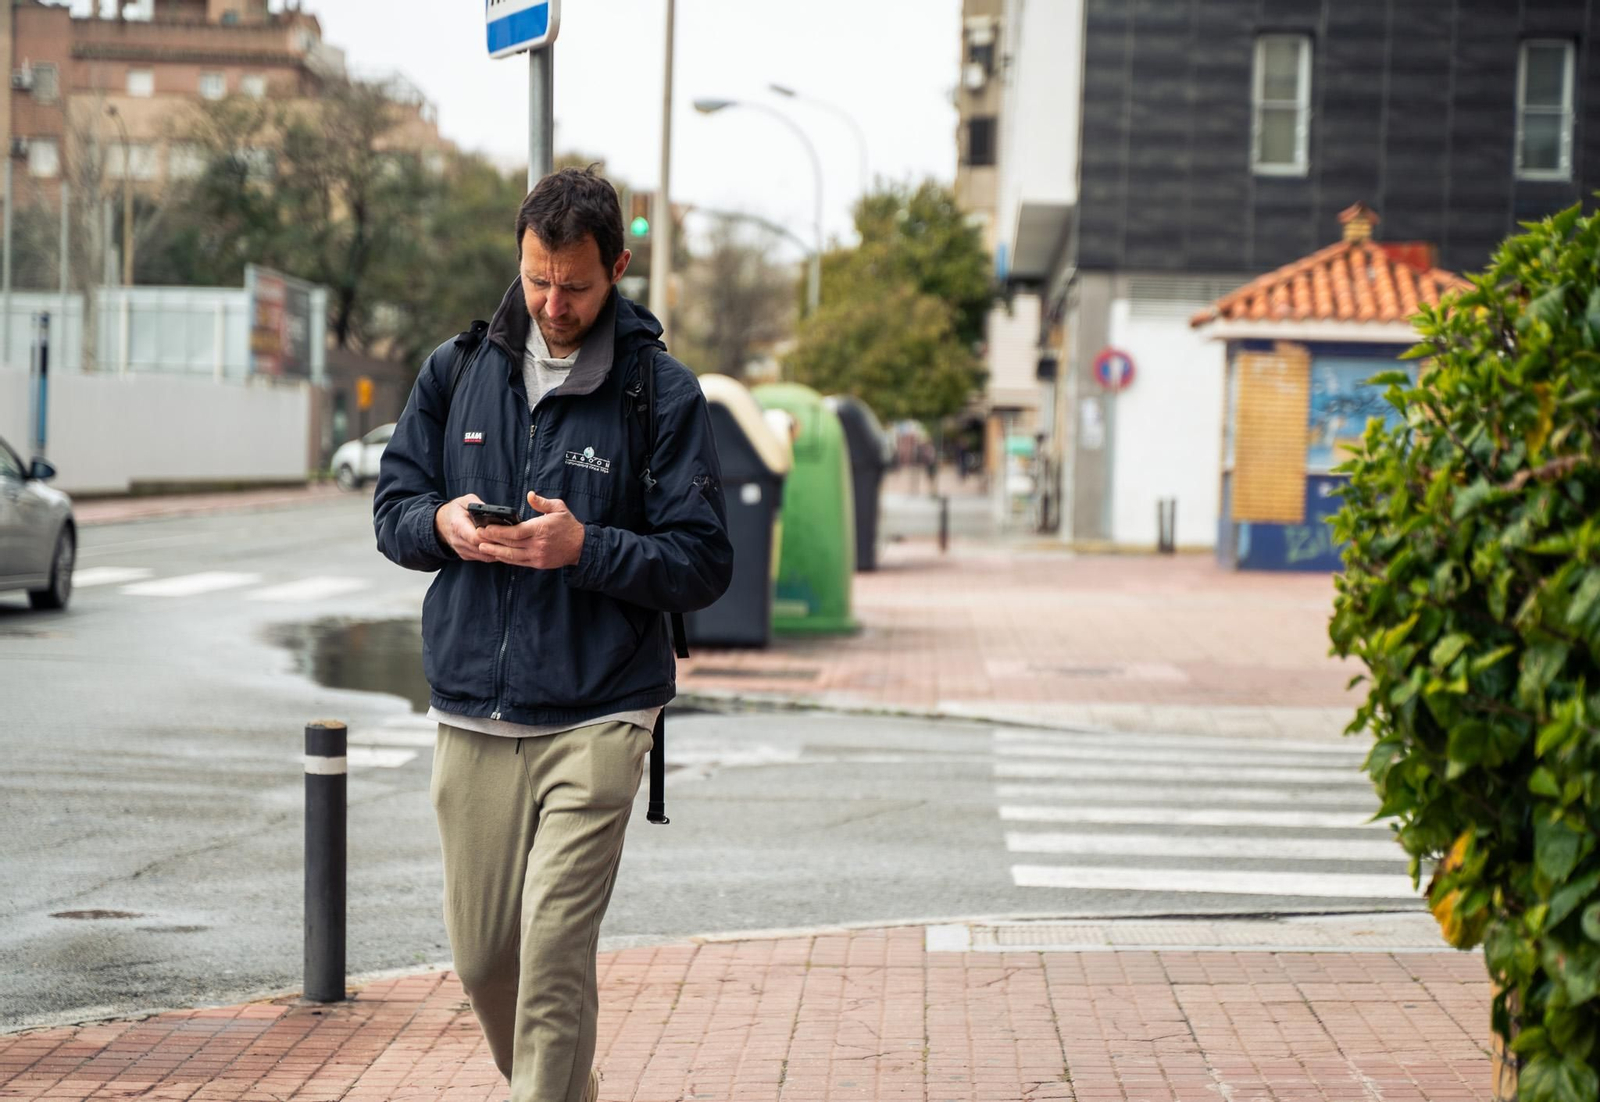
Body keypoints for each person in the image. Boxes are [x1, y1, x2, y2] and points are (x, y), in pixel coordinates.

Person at [373, 167, 733, 1102]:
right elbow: (392, 507)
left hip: (602, 708)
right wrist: (440, 526)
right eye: (537, 278)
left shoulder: (661, 391)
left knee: (553, 949)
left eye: (573, 284)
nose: (552, 301)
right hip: (475, 710)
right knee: (486, 960)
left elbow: (702, 562)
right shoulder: (456, 371)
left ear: (616, 267)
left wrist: (586, 547)